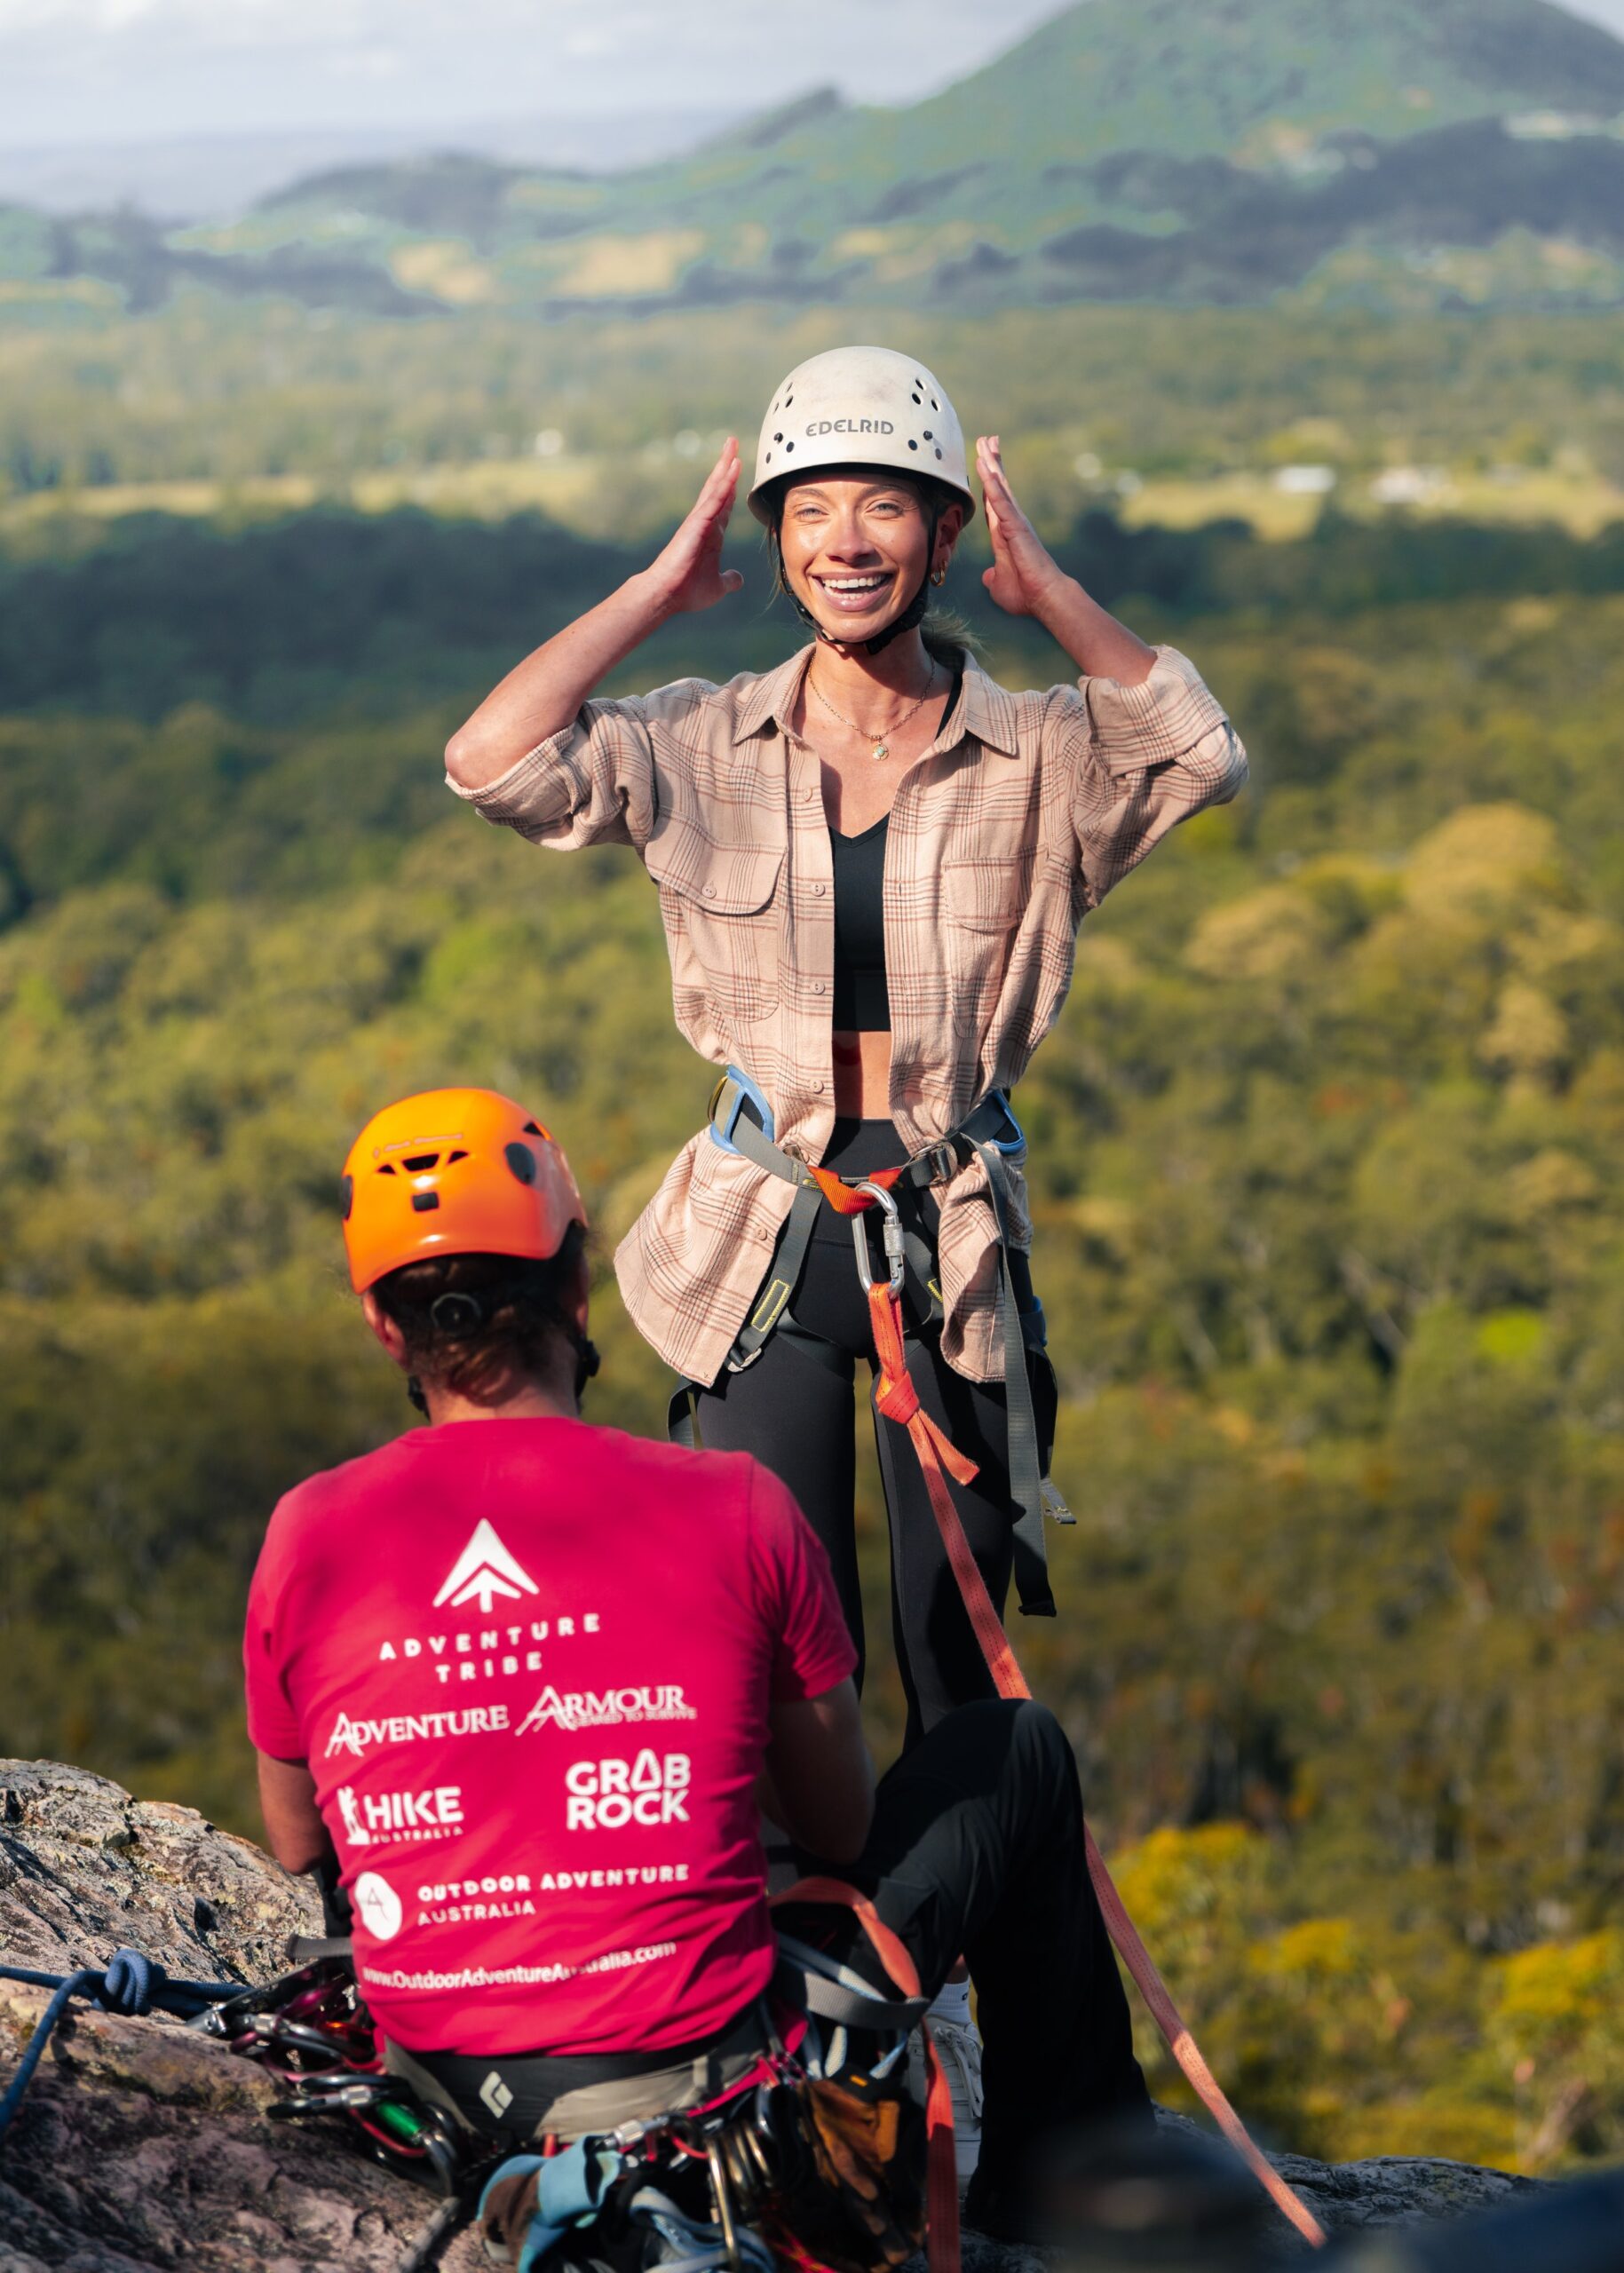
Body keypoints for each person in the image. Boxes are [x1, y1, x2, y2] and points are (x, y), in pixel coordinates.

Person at [442, 347, 1247, 1762]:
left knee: (960, 1679)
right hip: (763, 1236)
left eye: (883, 506)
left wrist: (1047, 591)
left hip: (949, 1241)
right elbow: (491, 759)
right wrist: (650, 594)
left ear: (944, 532)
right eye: (807, 512)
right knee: (772, 1660)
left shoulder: (1043, 757)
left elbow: (1195, 756)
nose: (843, 544)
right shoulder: (698, 739)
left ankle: (946, 1971)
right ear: (773, 541)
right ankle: (819, 1968)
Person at [242, 1086, 1151, 2261]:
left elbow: (301, 1842)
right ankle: (1062, 2208)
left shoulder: (309, 1533)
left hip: (444, 2090)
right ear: (574, 1290)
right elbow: (836, 1823)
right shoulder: (728, 1506)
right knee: (1011, 1753)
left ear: (382, 1327)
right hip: (705, 2094)